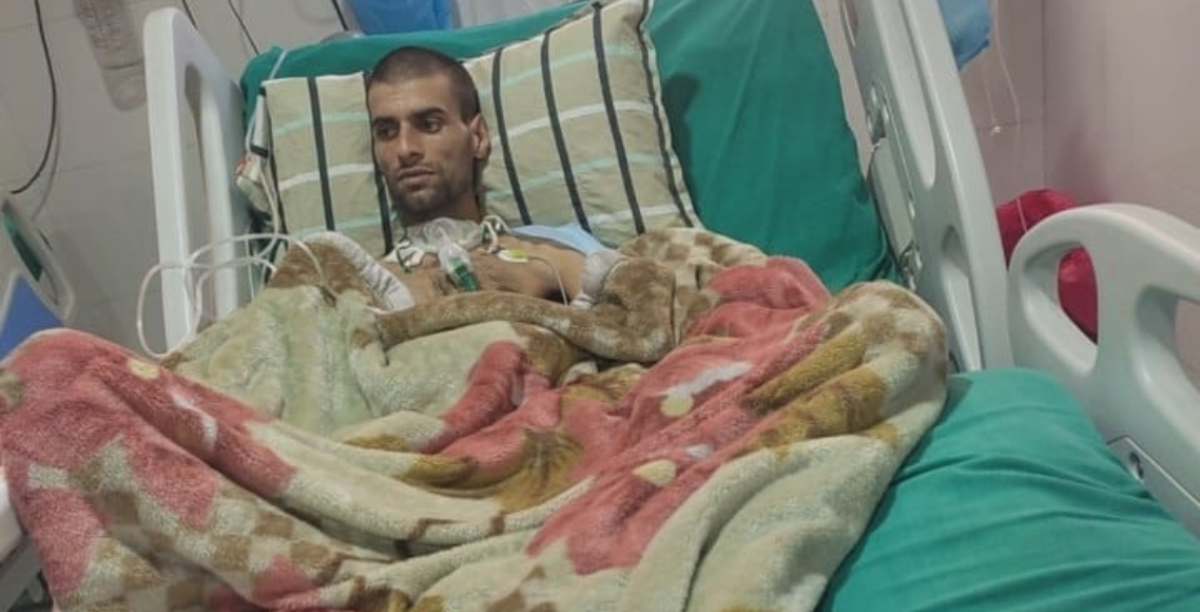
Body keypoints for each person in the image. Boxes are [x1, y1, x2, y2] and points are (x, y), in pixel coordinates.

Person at [365, 46, 597, 305]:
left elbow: (624, 310)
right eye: (386, 132)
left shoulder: (557, 252)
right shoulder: (365, 287)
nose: (405, 148)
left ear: (478, 137)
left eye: (430, 125)